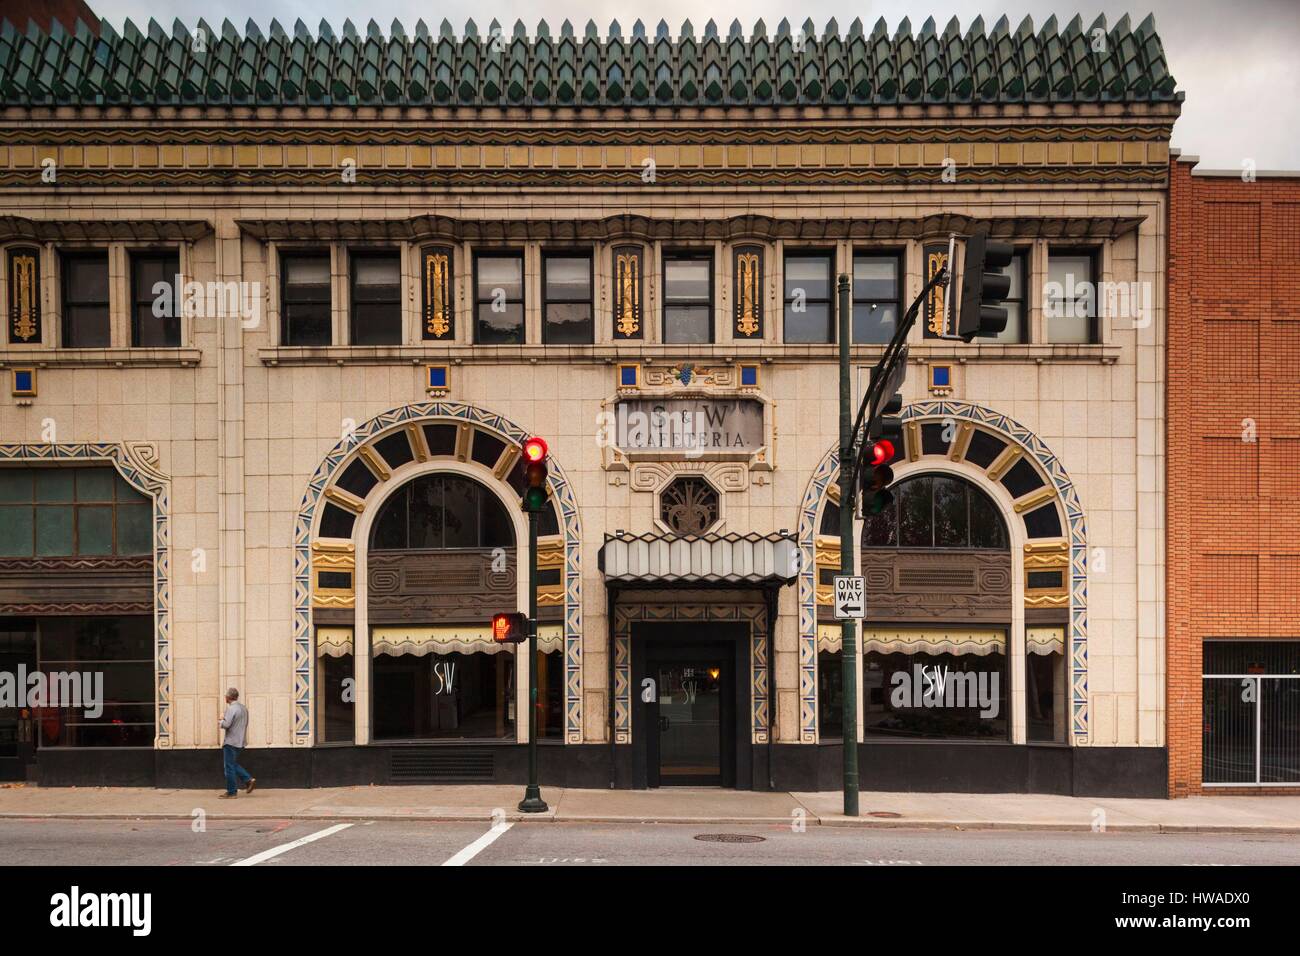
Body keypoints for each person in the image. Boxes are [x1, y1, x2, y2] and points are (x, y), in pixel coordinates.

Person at [218, 688, 255, 797]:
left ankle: (232, 792)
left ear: (228, 697)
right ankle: (248, 780)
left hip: (231, 742)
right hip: (241, 741)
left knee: (229, 767)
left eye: (226, 696)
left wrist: (221, 719)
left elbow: (226, 724)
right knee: (232, 764)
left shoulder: (231, 709)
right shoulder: (243, 708)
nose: (225, 697)